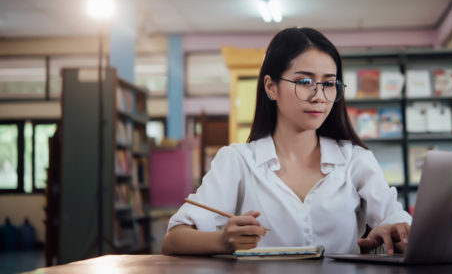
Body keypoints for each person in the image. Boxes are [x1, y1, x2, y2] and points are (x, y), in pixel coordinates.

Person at [162, 27, 411, 256]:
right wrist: (223, 241)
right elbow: (173, 240)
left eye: (328, 84)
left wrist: (392, 235)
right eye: (304, 82)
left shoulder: (355, 160)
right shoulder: (238, 161)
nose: (319, 97)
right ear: (271, 87)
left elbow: (400, 226)